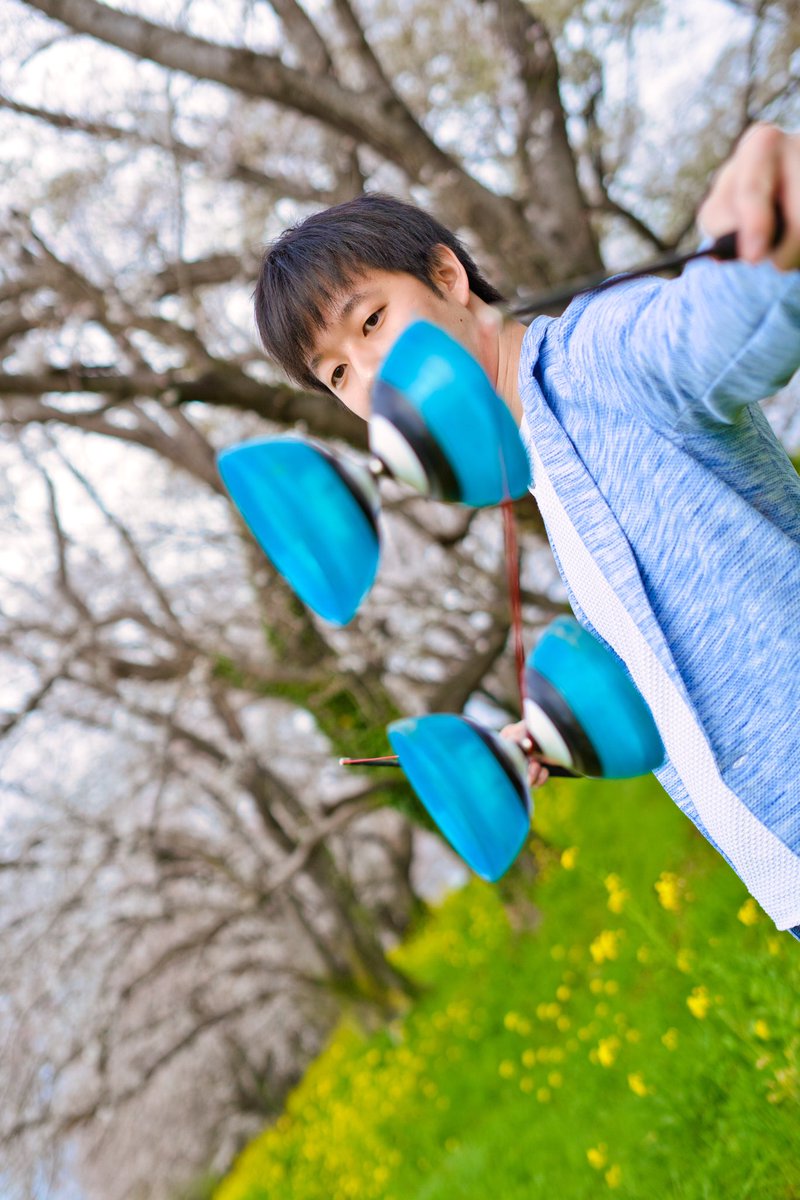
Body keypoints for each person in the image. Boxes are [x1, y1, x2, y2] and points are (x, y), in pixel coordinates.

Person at [254, 124, 800, 938]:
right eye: (336, 374)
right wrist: (566, 727)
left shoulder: (595, 359)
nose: (368, 378)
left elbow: (722, 321)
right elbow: (683, 659)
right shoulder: (540, 467)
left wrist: (775, 214)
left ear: (448, 275)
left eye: (370, 324)